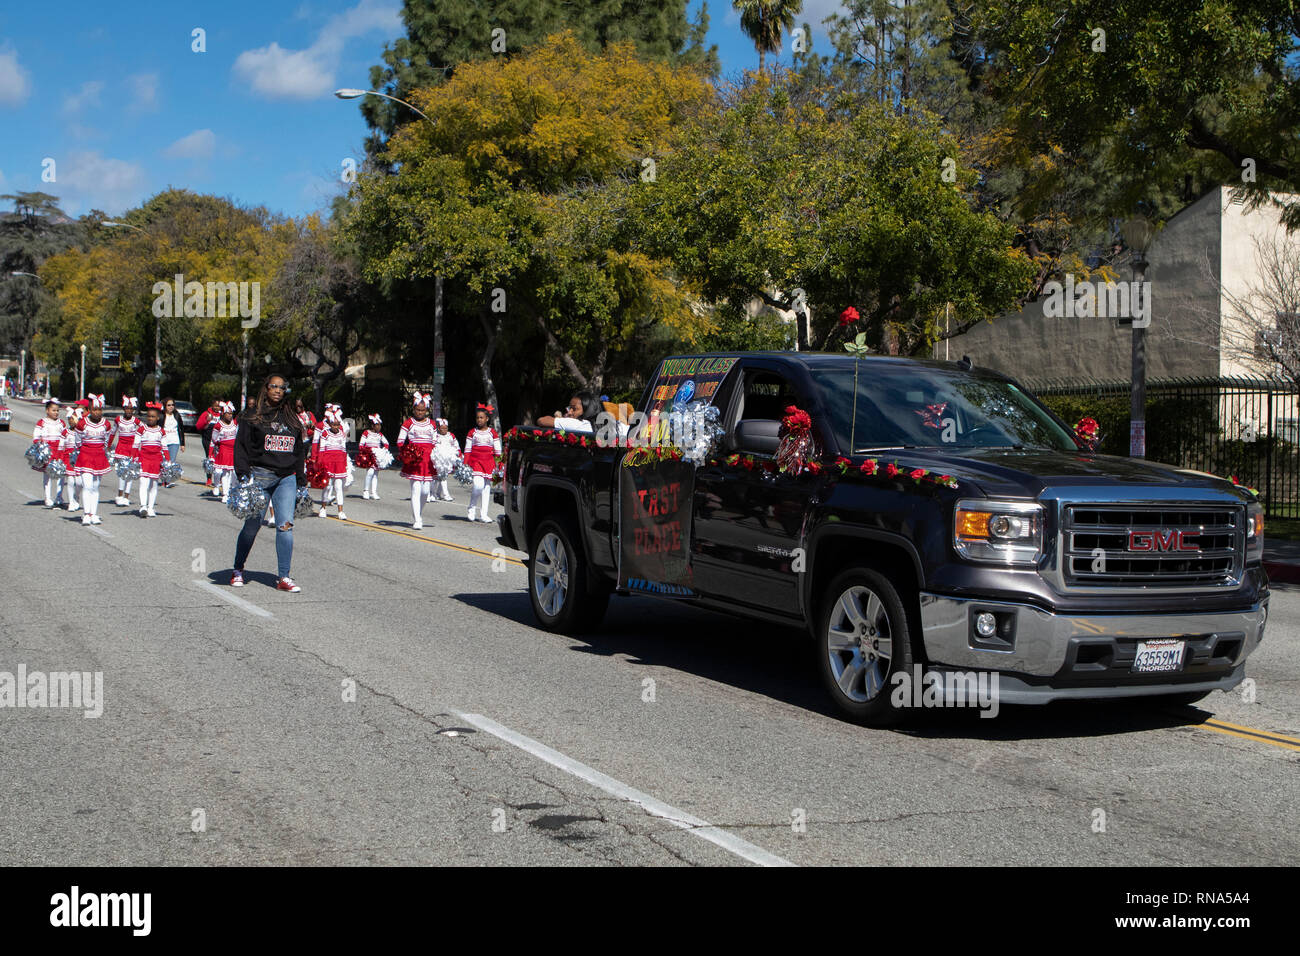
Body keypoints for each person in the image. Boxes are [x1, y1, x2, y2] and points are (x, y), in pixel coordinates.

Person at [231, 374, 306, 592]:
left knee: (285, 527)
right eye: (274, 386)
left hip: (286, 479)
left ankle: (284, 576)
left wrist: (301, 479)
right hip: (260, 476)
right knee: (252, 527)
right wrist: (243, 475)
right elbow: (241, 446)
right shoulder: (252, 416)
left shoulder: (291, 417)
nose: (277, 390)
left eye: (282, 388)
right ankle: (238, 569)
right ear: (266, 388)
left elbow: (299, 450)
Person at [397, 391, 437, 530]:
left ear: (426, 410)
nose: (420, 412)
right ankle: (418, 519)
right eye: (417, 410)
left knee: (426, 491)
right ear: (413, 409)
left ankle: (418, 514)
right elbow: (400, 441)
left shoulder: (432, 424)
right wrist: (408, 453)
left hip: (428, 460)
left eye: (423, 410)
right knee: (416, 489)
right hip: (415, 460)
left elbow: (435, 441)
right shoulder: (408, 423)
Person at [75, 394, 113, 525]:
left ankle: (94, 513)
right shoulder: (82, 423)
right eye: (94, 409)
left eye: (99, 410)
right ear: (89, 410)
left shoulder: (106, 424)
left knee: (96, 487)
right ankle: (86, 514)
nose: (97, 412)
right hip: (85, 455)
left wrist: (103, 450)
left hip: (99, 456)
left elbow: (106, 440)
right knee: (88, 485)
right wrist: (83, 450)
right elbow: (78, 440)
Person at [463, 403, 502, 523]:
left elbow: (498, 449)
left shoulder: (492, 433)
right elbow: (468, 449)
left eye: (481, 417)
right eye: (477, 417)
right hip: (476, 462)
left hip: (488, 462)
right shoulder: (472, 432)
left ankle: (484, 514)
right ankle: (472, 507)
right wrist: (465, 463)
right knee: (478, 486)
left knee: (486, 488)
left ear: (487, 419)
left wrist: (500, 464)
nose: (479, 420)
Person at [133, 402, 170, 517]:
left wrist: (168, 461)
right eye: (148, 416)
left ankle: (151, 507)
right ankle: (143, 506)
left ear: (158, 418)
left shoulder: (161, 431)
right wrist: (134, 459)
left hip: (156, 460)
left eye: (153, 416)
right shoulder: (141, 429)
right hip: (144, 459)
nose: (150, 418)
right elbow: (135, 445)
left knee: (153, 484)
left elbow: (164, 447)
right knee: (143, 483)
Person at [313, 407, 349, 520]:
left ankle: (341, 511)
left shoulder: (342, 434)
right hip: (327, 463)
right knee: (327, 486)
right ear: (330, 424)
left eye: (337, 425)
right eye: (333, 424)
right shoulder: (325, 434)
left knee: (338, 487)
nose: (335, 427)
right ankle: (323, 508)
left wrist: (345, 464)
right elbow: (322, 449)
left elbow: (344, 450)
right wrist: (319, 463)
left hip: (338, 464)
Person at [32, 398, 66, 509]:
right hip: (48, 450)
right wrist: (40, 446)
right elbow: (36, 436)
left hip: (60, 450)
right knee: (47, 474)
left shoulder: (61, 423)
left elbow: (66, 435)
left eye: (57, 410)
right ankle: (47, 497)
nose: (56, 413)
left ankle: (59, 496)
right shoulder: (42, 422)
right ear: (47, 410)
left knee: (61, 473)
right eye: (53, 410)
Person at [110, 397, 141, 506]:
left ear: (133, 410)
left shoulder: (136, 421)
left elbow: (144, 429)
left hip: (132, 449)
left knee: (130, 473)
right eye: (127, 408)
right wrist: (108, 445)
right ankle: (119, 495)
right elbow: (113, 433)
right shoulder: (118, 419)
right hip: (121, 448)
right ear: (123, 409)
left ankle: (126, 496)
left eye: (131, 409)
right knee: (122, 472)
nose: (129, 411)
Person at [210, 402, 238, 502]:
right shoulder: (218, 426)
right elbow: (213, 440)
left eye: (231, 413)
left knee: (234, 472)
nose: (230, 415)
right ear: (223, 414)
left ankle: (233, 490)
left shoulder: (235, 423)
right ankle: (225, 493)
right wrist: (211, 454)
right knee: (224, 472)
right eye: (228, 413)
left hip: (234, 451)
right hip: (223, 451)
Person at [358, 414, 389, 500]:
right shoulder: (366, 433)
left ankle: (374, 492)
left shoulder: (380, 435)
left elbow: (386, 443)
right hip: (369, 455)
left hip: (377, 456)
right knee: (370, 472)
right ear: (372, 425)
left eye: (380, 425)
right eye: (377, 425)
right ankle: (366, 491)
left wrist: (383, 451)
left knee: (375, 474)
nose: (379, 427)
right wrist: (367, 451)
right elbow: (361, 445)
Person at [431, 418, 460, 502]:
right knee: (439, 476)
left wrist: (458, 454)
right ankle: (444, 494)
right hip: (437, 460)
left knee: (442, 476)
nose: (444, 430)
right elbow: (432, 446)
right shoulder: (435, 436)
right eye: (442, 428)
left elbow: (456, 445)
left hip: (447, 460)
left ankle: (437, 493)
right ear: (439, 428)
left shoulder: (451, 435)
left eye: (446, 428)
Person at [195, 400, 221, 486]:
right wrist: (206, 421)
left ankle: (220, 478)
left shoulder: (223, 414)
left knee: (220, 459)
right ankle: (209, 478)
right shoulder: (207, 414)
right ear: (212, 405)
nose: (217, 408)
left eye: (219, 406)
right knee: (210, 458)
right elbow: (198, 426)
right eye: (215, 405)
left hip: (219, 440)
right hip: (208, 440)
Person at [63, 405, 83, 510]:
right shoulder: (65, 432)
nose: (71, 421)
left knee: (79, 482)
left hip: (80, 459)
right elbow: (61, 446)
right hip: (68, 459)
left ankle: (76, 496)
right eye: (69, 419)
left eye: (73, 419)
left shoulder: (82, 432)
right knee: (70, 481)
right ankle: (71, 502)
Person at [162, 398, 185, 473]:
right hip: (163, 442)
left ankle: (167, 480)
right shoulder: (161, 416)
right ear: (165, 406)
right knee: (164, 462)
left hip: (174, 442)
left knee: (171, 462)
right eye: (169, 405)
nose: (171, 407)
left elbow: (181, 429)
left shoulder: (177, 415)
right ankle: (164, 477)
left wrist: (182, 444)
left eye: (172, 405)